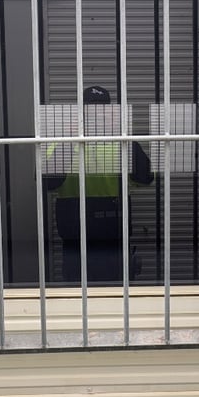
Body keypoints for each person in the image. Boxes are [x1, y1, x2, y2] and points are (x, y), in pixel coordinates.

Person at [45, 86, 153, 284]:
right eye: (90, 111)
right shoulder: (62, 142)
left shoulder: (122, 142)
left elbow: (145, 177)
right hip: (75, 234)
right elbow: (48, 183)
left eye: (101, 111)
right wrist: (70, 140)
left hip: (112, 233)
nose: (95, 116)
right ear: (80, 114)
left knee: (114, 290)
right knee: (77, 289)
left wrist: (124, 138)